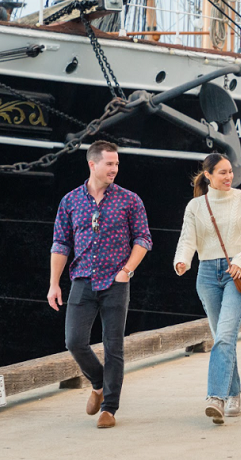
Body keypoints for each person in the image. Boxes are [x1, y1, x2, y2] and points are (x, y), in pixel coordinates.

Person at [47, 140, 152, 429]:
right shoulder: (70, 201)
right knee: (74, 341)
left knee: (113, 345)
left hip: (116, 281)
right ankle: (98, 382)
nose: (115, 169)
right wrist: (54, 284)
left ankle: (109, 408)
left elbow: (143, 239)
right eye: (109, 163)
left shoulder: (130, 200)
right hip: (82, 279)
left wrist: (127, 270)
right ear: (92, 164)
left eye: (117, 164)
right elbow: (61, 243)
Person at [173, 153, 241, 424]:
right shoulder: (195, 206)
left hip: (237, 274)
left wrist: (240, 259)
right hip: (206, 275)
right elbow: (187, 238)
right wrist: (182, 260)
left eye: (230, 172)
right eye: (222, 173)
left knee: (224, 335)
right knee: (222, 336)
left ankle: (216, 398)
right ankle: (234, 391)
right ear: (208, 176)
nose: (229, 177)